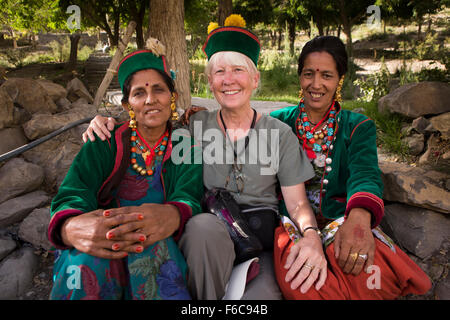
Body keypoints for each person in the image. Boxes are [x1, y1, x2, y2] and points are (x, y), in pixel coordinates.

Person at [81, 15, 327, 300]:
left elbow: (297, 204)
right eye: (220, 72)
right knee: (201, 228)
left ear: (256, 79)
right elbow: (147, 127)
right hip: (207, 241)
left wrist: (311, 236)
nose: (229, 80)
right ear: (209, 81)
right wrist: (107, 123)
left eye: (239, 70)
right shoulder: (192, 128)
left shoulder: (279, 133)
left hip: (259, 243)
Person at [270, 35, 432, 299]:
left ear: (339, 79)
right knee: (303, 282)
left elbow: (365, 174)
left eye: (327, 75)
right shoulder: (278, 123)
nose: (316, 84)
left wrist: (359, 221)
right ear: (300, 77)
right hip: (294, 223)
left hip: (340, 218)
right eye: (309, 74)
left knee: (374, 274)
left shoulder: (357, 126)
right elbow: (239, 132)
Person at [47, 39, 203, 300]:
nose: (151, 99)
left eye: (159, 90)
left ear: (172, 98)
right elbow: (74, 191)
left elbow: (189, 195)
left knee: (157, 257)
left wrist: (173, 215)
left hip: (158, 239)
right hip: (104, 237)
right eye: (139, 93)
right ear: (127, 105)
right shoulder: (104, 141)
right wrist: (70, 227)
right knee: (85, 261)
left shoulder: (186, 145)